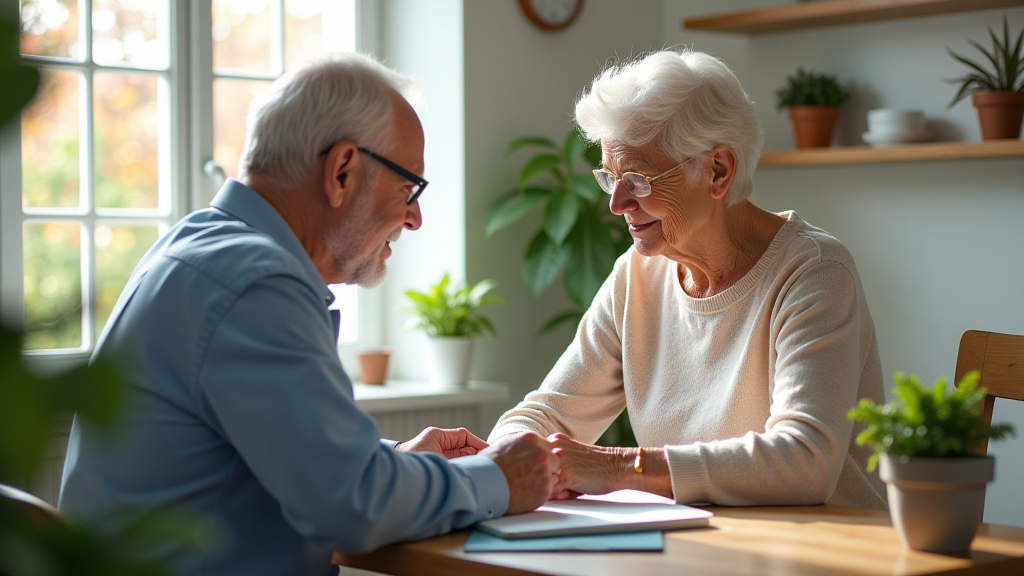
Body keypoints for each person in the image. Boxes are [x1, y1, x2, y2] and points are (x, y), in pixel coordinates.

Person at [59, 54, 557, 576]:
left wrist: (392, 461)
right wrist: (499, 478)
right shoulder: (255, 281)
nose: (414, 218)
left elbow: (279, 456)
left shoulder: (203, 248)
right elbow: (351, 505)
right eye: (409, 187)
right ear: (342, 169)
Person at [489, 50, 888, 510]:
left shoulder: (814, 273)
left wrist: (619, 467)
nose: (616, 203)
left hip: (827, 550)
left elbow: (805, 460)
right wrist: (501, 457)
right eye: (609, 177)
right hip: (700, 546)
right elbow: (546, 414)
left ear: (718, 171)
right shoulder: (636, 277)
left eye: (637, 179)